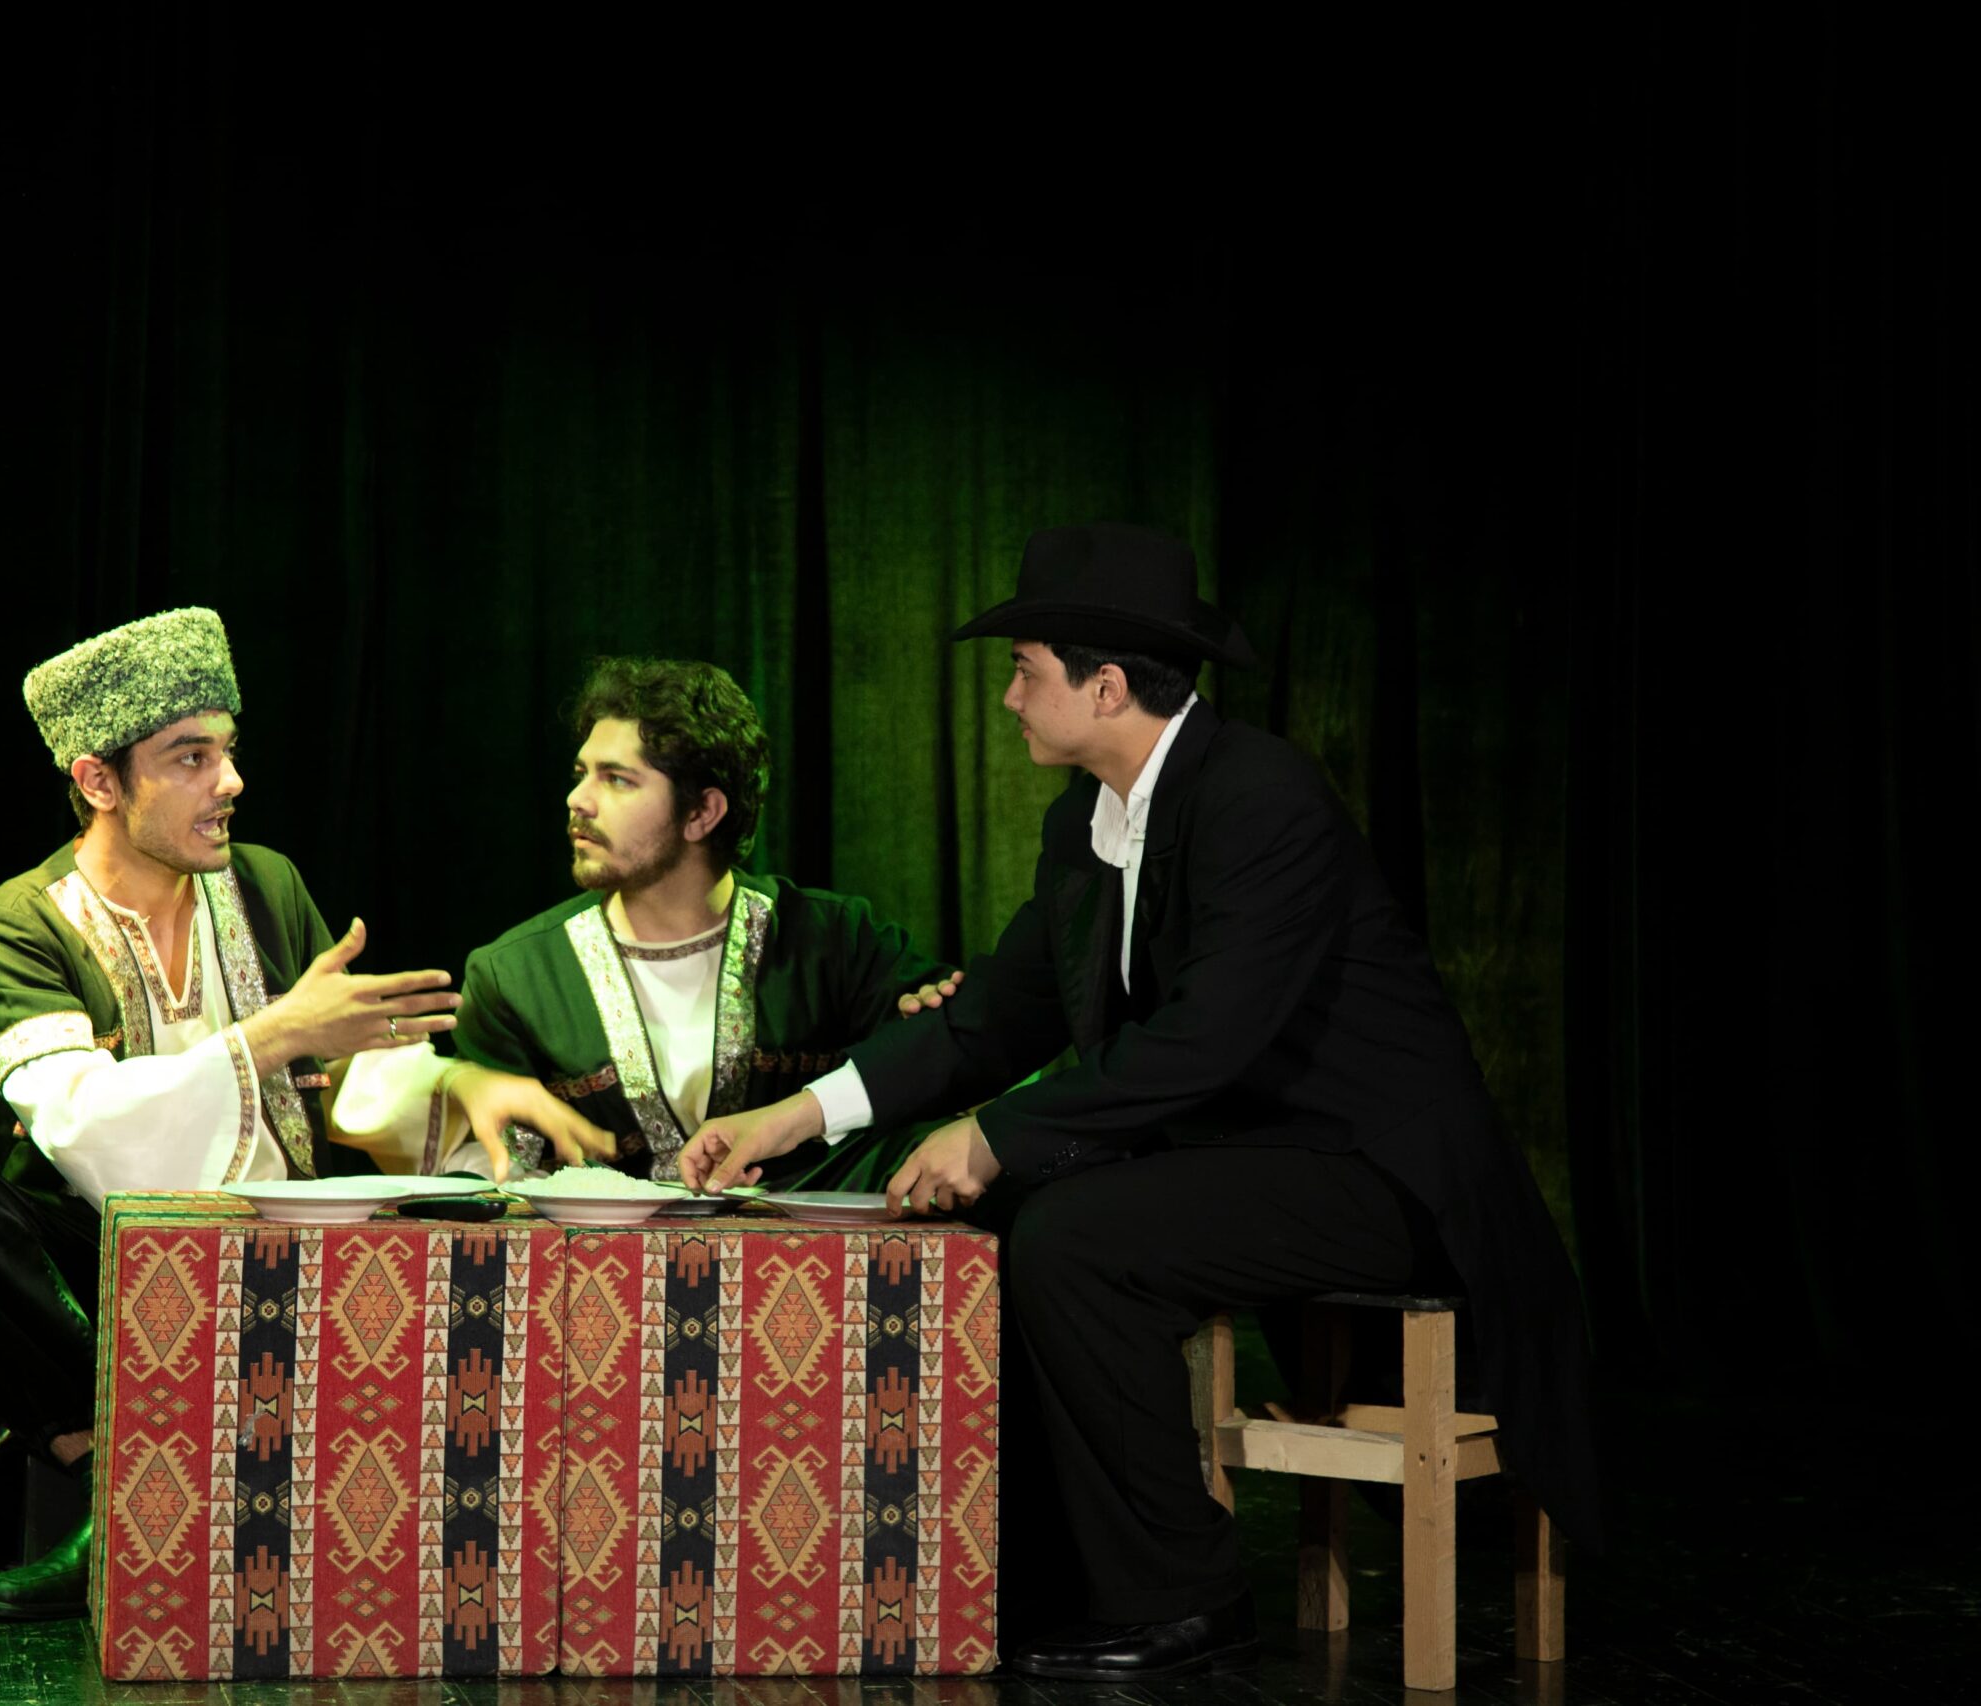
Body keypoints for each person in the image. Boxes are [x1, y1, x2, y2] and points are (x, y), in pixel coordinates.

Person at [683, 525, 1602, 1679]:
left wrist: (998, 1131)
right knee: (1005, 1213)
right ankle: (1045, 1575)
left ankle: (1184, 1595)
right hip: (1252, 1159)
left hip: (1381, 1170)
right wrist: (790, 1117)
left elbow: (1208, 1036)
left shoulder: (1258, 795)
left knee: (1077, 1236)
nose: (1009, 698)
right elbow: (991, 1018)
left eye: (1024, 672)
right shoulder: (1086, 823)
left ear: (1106, 686)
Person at [0, 608, 603, 1616]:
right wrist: (268, 1038)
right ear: (99, 782)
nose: (230, 781)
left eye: (228, 751)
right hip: (97, 1271)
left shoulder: (267, 886)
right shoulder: (16, 925)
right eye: (190, 758)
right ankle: (112, 1466)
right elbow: (80, 1128)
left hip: (277, 1260)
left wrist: (460, 1085)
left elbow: (347, 1091)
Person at [333, 656, 962, 1189]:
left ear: (702, 813)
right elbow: (502, 1181)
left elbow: (954, 1056)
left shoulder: (838, 942)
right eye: (582, 774)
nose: (578, 800)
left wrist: (931, 1011)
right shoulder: (516, 977)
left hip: (816, 1278)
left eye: (617, 780)